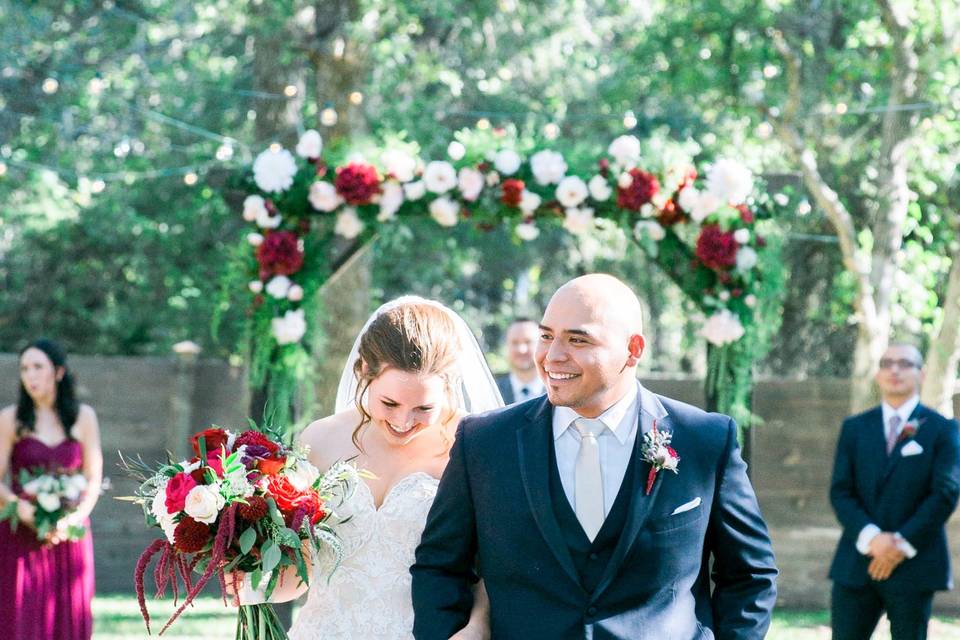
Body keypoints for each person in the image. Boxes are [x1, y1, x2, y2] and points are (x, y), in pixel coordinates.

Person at [412, 273, 778, 639]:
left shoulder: (704, 440)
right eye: (546, 336)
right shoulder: (484, 442)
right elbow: (440, 566)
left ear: (633, 349)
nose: (551, 356)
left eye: (577, 339)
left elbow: (749, 575)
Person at [235, 297, 502, 639]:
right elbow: (300, 576)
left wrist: (478, 627)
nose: (403, 421)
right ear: (363, 371)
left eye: (423, 407)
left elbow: (499, 562)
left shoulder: (474, 446)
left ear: (449, 386)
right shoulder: (320, 439)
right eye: (389, 403)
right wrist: (248, 571)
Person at [829, 343, 960, 640]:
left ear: (921, 374)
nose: (895, 370)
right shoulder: (854, 428)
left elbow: (945, 493)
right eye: (887, 363)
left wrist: (899, 545)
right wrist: (873, 539)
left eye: (905, 363)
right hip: (856, 561)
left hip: (915, 564)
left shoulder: (942, 430)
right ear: (877, 374)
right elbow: (840, 492)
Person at [0, 339, 103, 640]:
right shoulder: (10, 420)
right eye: (24, 369)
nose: (30, 375)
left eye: (38, 367)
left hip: (69, 536)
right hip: (20, 535)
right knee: (18, 618)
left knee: (66, 621)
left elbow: (93, 478)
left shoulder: (84, 418)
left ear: (58, 372)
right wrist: (21, 507)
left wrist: (73, 519)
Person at [495, 318, 545, 405]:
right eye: (515, 343)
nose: (521, 350)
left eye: (528, 342)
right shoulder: (493, 390)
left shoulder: (558, 391)